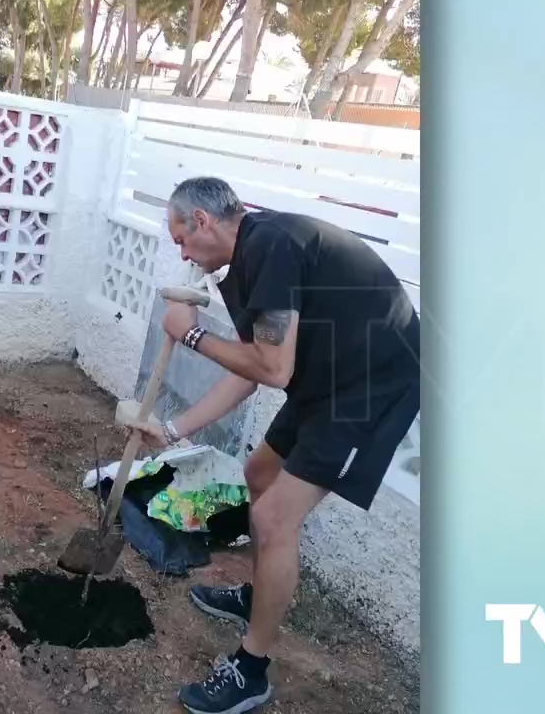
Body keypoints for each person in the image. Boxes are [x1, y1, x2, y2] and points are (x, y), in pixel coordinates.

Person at [130, 177, 420, 714]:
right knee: (258, 478)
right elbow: (252, 370)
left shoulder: (271, 247)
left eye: (180, 237)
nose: (180, 251)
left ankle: (252, 669)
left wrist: (191, 335)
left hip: (367, 390)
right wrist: (174, 430)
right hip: (324, 380)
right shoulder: (247, 261)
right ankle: (258, 597)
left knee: (272, 520)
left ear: (202, 222)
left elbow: (271, 367)